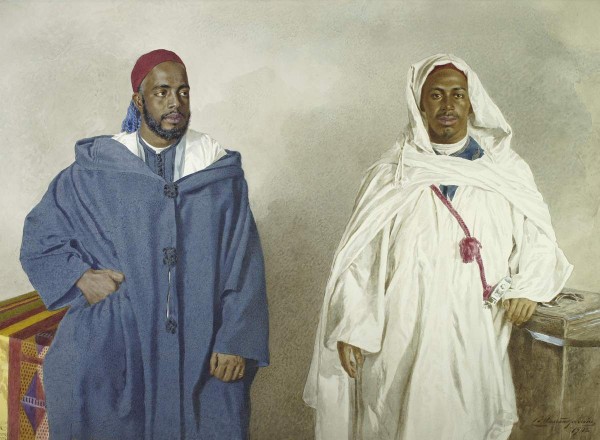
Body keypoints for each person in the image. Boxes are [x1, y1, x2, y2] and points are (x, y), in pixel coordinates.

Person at [303, 54, 572, 440]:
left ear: (472, 102)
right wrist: (353, 324)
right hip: (401, 332)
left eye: (458, 94)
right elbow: (361, 257)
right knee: (397, 422)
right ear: (420, 104)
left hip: (474, 329)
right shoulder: (392, 174)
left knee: (466, 422)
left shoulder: (506, 171)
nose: (448, 105)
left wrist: (528, 286)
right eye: (436, 95)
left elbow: (539, 239)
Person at [20, 49, 269, 440]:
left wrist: (235, 338)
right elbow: (40, 237)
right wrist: (81, 277)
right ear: (138, 101)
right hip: (117, 343)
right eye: (162, 92)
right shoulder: (95, 171)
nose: (175, 103)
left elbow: (245, 261)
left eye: (183, 92)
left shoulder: (218, 172)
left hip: (202, 343)